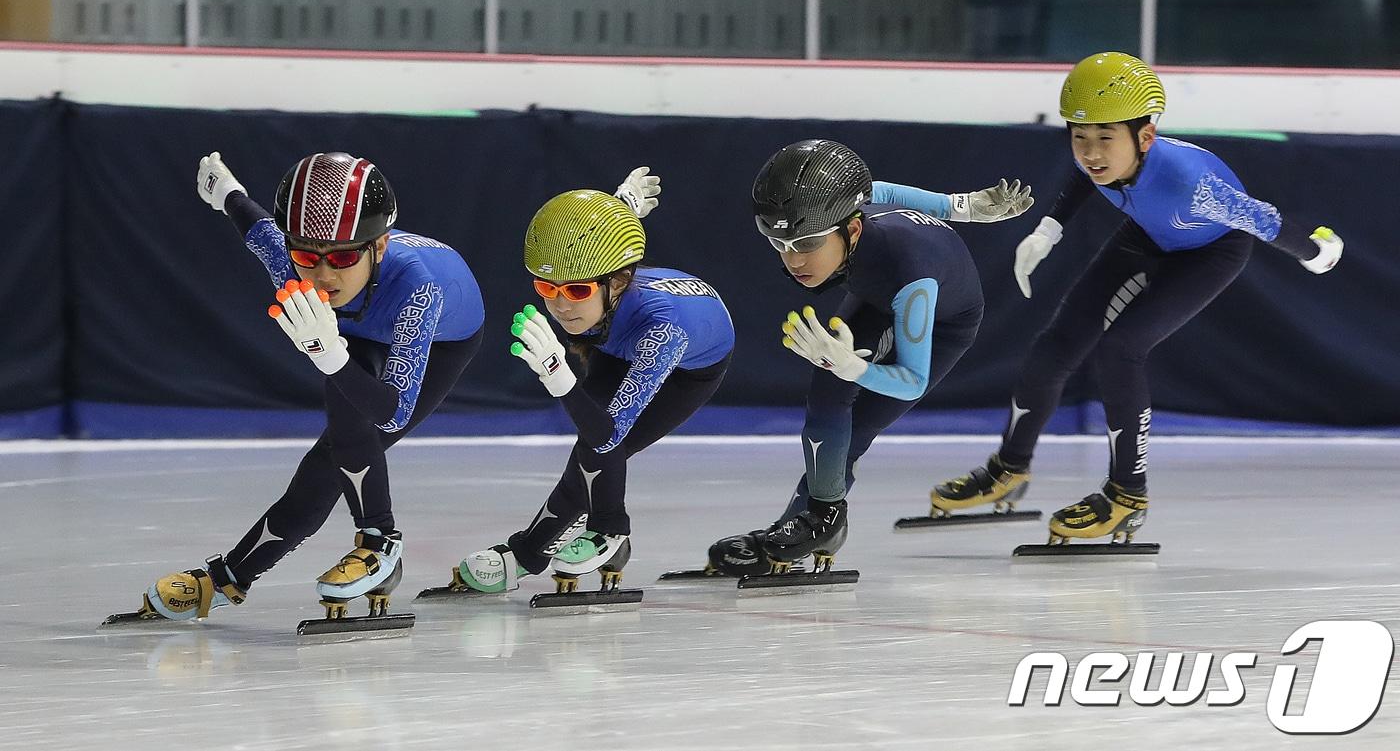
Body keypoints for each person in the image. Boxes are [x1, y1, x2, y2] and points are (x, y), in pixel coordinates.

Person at [931, 52, 1344, 547]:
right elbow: (1086, 175)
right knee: (1054, 345)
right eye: (1079, 137)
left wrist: (1318, 252)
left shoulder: (1193, 184)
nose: (1090, 153)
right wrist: (1047, 231)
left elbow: (1265, 222)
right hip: (1145, 237)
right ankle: (1008, 469)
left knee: (1120, 350)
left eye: (1105, 138)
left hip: (1210, 253)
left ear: (1145, 137)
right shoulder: (1104, 157)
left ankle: (1128, 496)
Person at [110, 150, 485, 624]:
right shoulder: (290, 263)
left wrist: (332, 357)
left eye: (345, 256)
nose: (324, 275)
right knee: (338, 433)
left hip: (443, 338)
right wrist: (227, 192)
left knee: (341, 443)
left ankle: (377, 545)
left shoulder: (419, 286)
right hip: (355, 330)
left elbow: (391, 412)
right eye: (308, 256)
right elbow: (258, 228)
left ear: (380, 248)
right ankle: (230, 578)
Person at [707, 139, 1035, 576]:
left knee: (857, 425)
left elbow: (913, 379)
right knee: (826, 396)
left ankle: (821, 518)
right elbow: (884, 190)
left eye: (806, 243)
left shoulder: (912, 276)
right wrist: (964, 207)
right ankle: (802, 521)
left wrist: (854, 366)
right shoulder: (851, 203)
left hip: (939, 322)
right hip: (877, 294)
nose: (792, 259)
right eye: (778, 243)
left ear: (853, 230)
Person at [449, 186, 736, 595]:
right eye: (548, 289)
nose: (562, 306)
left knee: (602, 442)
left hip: (689, 368)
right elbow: (584, 235)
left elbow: (609, 435)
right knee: (591, 441)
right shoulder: (604, 289)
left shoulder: (664, 328)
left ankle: (605, 531)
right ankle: (536, 549)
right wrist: (620, 210)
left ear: (617, 282)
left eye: (577, 290)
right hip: (615, 338)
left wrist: (558, 377)